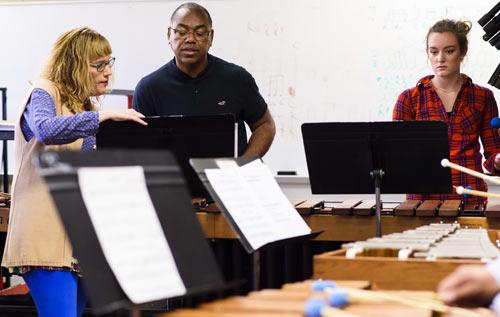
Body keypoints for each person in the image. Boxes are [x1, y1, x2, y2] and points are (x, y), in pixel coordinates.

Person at [1, 27, 146, 317]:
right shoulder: (44, 91)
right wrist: (103, 116)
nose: (108, 72)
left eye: (109, 62)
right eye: (98, 65)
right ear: (75, 66)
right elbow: (46, 130)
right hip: (46, 232)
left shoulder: (82, 105)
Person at [132, 2, 275, 157]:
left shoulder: (238, 79)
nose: (190, 39)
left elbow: (265, 125)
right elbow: (139, 147)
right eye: (181, 32)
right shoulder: (149, 88)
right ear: (169, 35)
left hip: (228, 178)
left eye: (199, 33)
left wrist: (244, 165)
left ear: (211, 37)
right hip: (176, 180)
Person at [393, 19, 500, 204]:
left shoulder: (483, 97)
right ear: (427, 52)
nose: (440, 58)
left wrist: (498, 159)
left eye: (449, 51)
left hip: (471, 199)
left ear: (463, 52)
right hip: (423, 202)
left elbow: (492, 154)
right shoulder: (409, 99)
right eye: (433, 51)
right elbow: (396, 157)